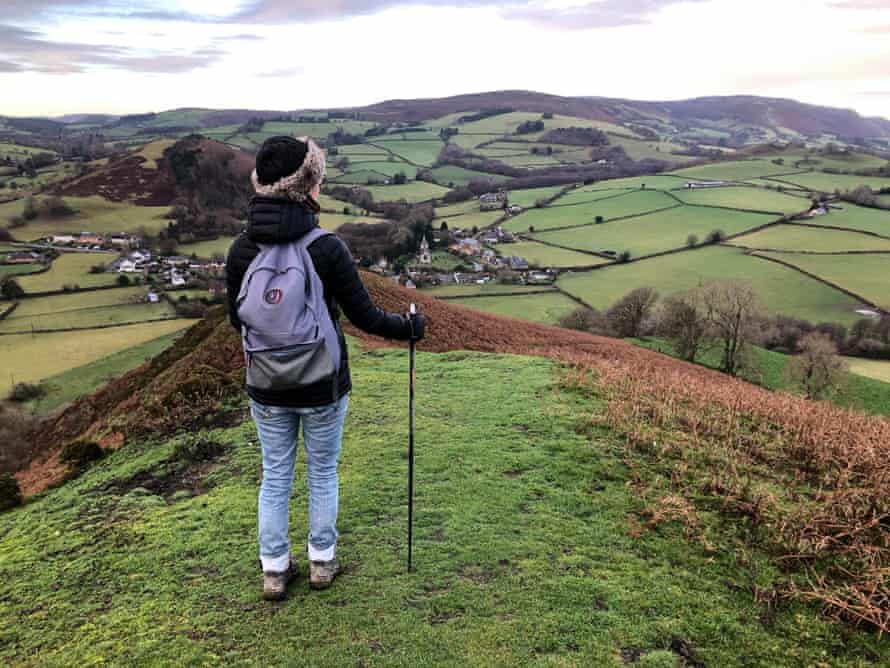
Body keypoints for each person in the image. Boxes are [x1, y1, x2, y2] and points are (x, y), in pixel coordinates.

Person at [225, 136, 425, 600]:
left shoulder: (240, 250)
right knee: (322, 471)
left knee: (275, 475)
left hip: (266, 385)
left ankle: (274, 571)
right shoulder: (326, 248)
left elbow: (236, 317)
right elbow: (365, 318)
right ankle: (322, 563)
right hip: (322, 384)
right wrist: (411, 327)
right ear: (308, 185)